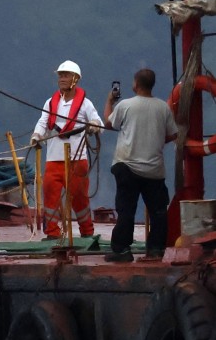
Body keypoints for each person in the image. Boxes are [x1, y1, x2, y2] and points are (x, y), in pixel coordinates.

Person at [102, 68, 177, 262]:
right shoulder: (163, 108)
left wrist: (110, 100)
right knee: (158, 212)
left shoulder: (125, 105)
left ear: (135, 84)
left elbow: (109, 123)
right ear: (152, 84)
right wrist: (156, 140)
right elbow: (173, 134)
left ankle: (121, 250)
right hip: (154, 169)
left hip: (127, 166)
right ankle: (156, 249)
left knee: (126, 209)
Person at [30, 60, 103, 241]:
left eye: (65, 75)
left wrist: (93, 126)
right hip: (54, 159)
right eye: (60, 75)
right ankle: (52, 232)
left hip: (77, 158)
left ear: (75, 79)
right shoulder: (50, 102)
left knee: (79, 198)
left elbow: (98, 123)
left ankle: (87, 231)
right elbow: (43, 121)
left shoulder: (85, 104)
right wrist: (37, 135)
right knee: (50, 194)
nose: (61, 79)